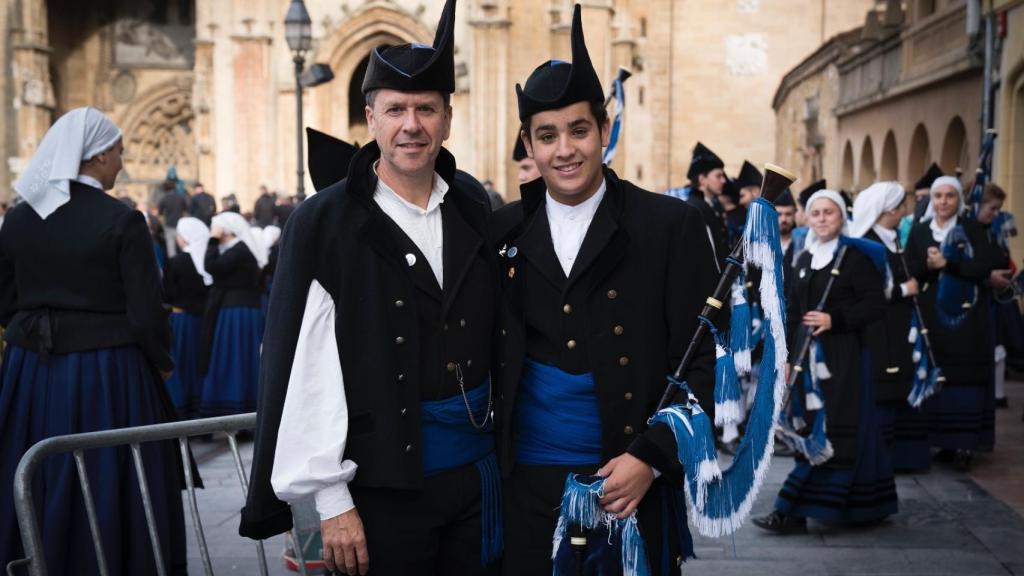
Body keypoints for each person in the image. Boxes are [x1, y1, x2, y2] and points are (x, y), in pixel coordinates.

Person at [239, 1, 503, 574]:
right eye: (396, 110)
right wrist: (331, 504)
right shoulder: (325, 221)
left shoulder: (475, 205)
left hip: (476, 485)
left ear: (447, 119)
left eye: (426, 109)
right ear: (371, 118)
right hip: (376, 496)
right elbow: (303, 362)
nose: (412, 124)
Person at [494, 6, 718, 573]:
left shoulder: (670, 226)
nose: (564, 149)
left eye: (578, 130)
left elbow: (700, 364)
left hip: (630, 478)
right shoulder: (500, 231)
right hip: (526, 487)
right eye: (547, 136)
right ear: (529, 143)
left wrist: (651, 458)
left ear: (604, 129)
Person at [0, 107, 187, 574]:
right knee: (109, 478)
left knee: (31, 475)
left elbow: (5, 300)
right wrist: (161, 360)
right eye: (120, 154)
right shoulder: (121, 219)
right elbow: (146, 312)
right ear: (99, 155)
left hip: (30, 372)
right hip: (109, 372)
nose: (122, 164)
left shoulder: (19, 219)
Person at [754, 189, 897, 533]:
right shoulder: (802, 258)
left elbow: (875, 305)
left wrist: (836, 319)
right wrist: (785, 355)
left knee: (833, 428)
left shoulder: (854, 258)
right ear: (806, 217)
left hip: (844, 355)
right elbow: (791, 311)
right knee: (814, 423)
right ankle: (864, 505)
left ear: (841, 217)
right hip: (806, 358)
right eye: (815, 213)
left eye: (828, 213)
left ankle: (789, 509)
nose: (821, 219)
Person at [905, 176, 1003, 471]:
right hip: (933, 317)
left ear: (959, 199)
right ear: (931, 200)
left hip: (966, 318)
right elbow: (911, 271)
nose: (943, 202)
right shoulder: (922, 231)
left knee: (966, 379)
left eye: (949, 196)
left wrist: (948, 264)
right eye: (938, 196)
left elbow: (986, 266)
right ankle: (943, 442)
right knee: (940, 376)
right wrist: (929, 264)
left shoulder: (972, 229)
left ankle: (965, 445)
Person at [851, 181, 929, 473]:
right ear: (889, 209)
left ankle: (906, 458)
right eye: (901, 206)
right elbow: (866, 293)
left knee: (900, 389)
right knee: (882, 390)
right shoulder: (869, 242)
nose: (905, 212)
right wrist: (903, 291)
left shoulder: (892, 237)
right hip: (878, 329)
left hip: (896, 328)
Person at [198, 211, 266, 417]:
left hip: (238, 314)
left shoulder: (239, 250)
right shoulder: (238, 249)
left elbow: (210, 267)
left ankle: (241, 406)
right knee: (238, 360)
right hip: (237, 310)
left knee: (236, 360)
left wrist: (212, 240)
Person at [976, 183, 1022, 408]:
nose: (996, 214)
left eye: (998, 210)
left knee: (999, 349)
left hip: (996, 299)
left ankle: (997, 394)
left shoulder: (993, 230)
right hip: (980, 301)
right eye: (992, 209)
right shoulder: (971, 231)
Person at [163, 216, 212, 418]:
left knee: (182, 366)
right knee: (200, 366)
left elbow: (167, 293)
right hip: (204, 321)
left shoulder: (175, 262)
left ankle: (184, 413)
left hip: (182, 321)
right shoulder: (208, 261)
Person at [685, 141, 729, 266]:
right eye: (718, 176)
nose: (724, 180)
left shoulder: (713, 206)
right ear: (702, 179)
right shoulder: (693, 208)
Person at [157, 178, 189, 258]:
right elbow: (186, 208)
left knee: (171, 251)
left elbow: (160, 212)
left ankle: (173, 268)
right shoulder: (180, 197)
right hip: (180, 225)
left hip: (169, 225)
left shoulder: (164, 198)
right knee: (183, 248)